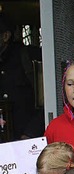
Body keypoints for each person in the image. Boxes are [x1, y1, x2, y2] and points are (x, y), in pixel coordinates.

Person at [0, 13, 44, 141]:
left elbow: (52, 96)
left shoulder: (29, 56)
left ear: (5, 36)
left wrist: (31, 132)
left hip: (28, 139)